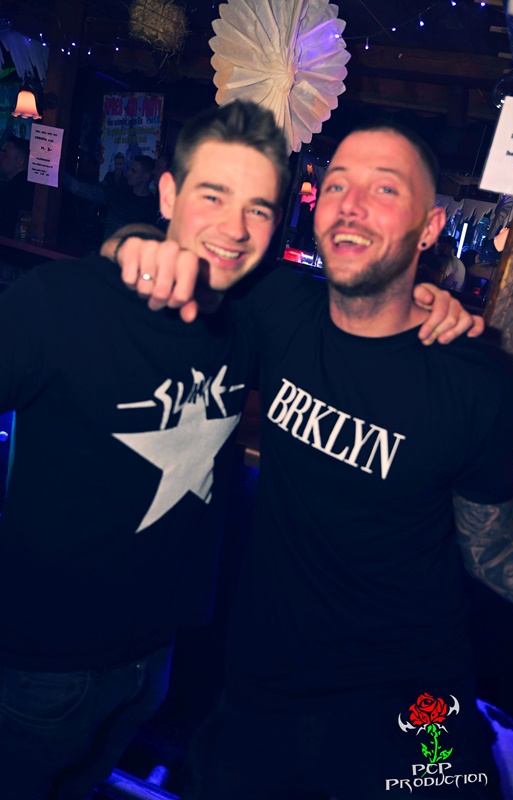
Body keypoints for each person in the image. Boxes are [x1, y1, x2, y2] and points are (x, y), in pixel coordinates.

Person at [110, 120, 513, 800]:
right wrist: (129, 245)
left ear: (429, 227)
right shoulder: (277, 304)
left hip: (413, 705)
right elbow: (168, 250)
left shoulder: (479, 381)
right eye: (336, 185)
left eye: (384, 189)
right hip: (262, 693)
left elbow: (492, 550)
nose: (350, 205)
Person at [0, 100, 289, 800]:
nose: (234, 228)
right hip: (42, 668)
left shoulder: (247, 321)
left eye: (257, 208)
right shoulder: (62, 302)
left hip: (154, 663)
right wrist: (124, 244)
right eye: (212, 195)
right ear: (167, 195)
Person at [64, 153, 159, 239]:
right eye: (129, 169)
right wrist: (59, 173)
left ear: (145, 177)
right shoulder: (118, 192)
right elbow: (84, 190)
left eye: (133, 171)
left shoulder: (152, 207)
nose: (128, 173)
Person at [0, 135, 34, 237]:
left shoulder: (13, 190)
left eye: (5, 155)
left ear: (19, 162)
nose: (0, 158)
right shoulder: (30, 186)